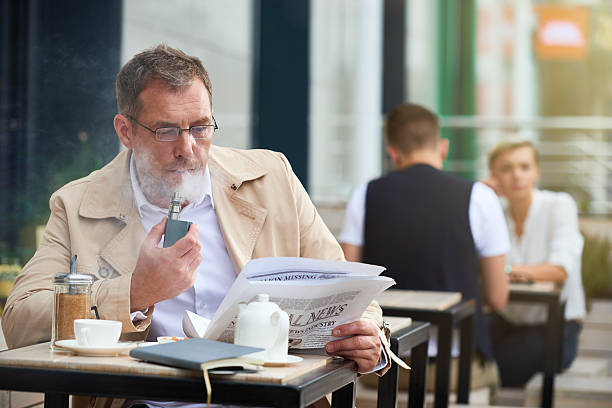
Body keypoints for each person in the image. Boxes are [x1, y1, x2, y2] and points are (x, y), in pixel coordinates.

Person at [2, 45, 390, 408]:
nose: (187, 148)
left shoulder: (273, 179)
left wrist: (368, 338)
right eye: (166, 130)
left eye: (201, 127)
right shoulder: (77, 205)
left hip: (268, 398)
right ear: (126, 132)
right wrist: (134, 293)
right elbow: (20, 319)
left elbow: (351, 288)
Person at [340, 103, 510, 391]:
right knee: (496, 372)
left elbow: (348, 286)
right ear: (442, 147)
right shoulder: (479, 196)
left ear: (392, 151)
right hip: (455, 368)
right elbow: (498, 297)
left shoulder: (365, 195)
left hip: (384, 368)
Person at [483, 140, 586, 387]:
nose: (516, 174)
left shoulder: (559, 205)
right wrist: (479, 194)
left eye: (524, 166)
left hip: (555, 325)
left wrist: (503, 271)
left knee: (495, 370)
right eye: (506, 168)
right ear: (494, 176)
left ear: (537, 173)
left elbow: (558, 270)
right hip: (507, 321)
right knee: (460, 349)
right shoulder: (492, 209)